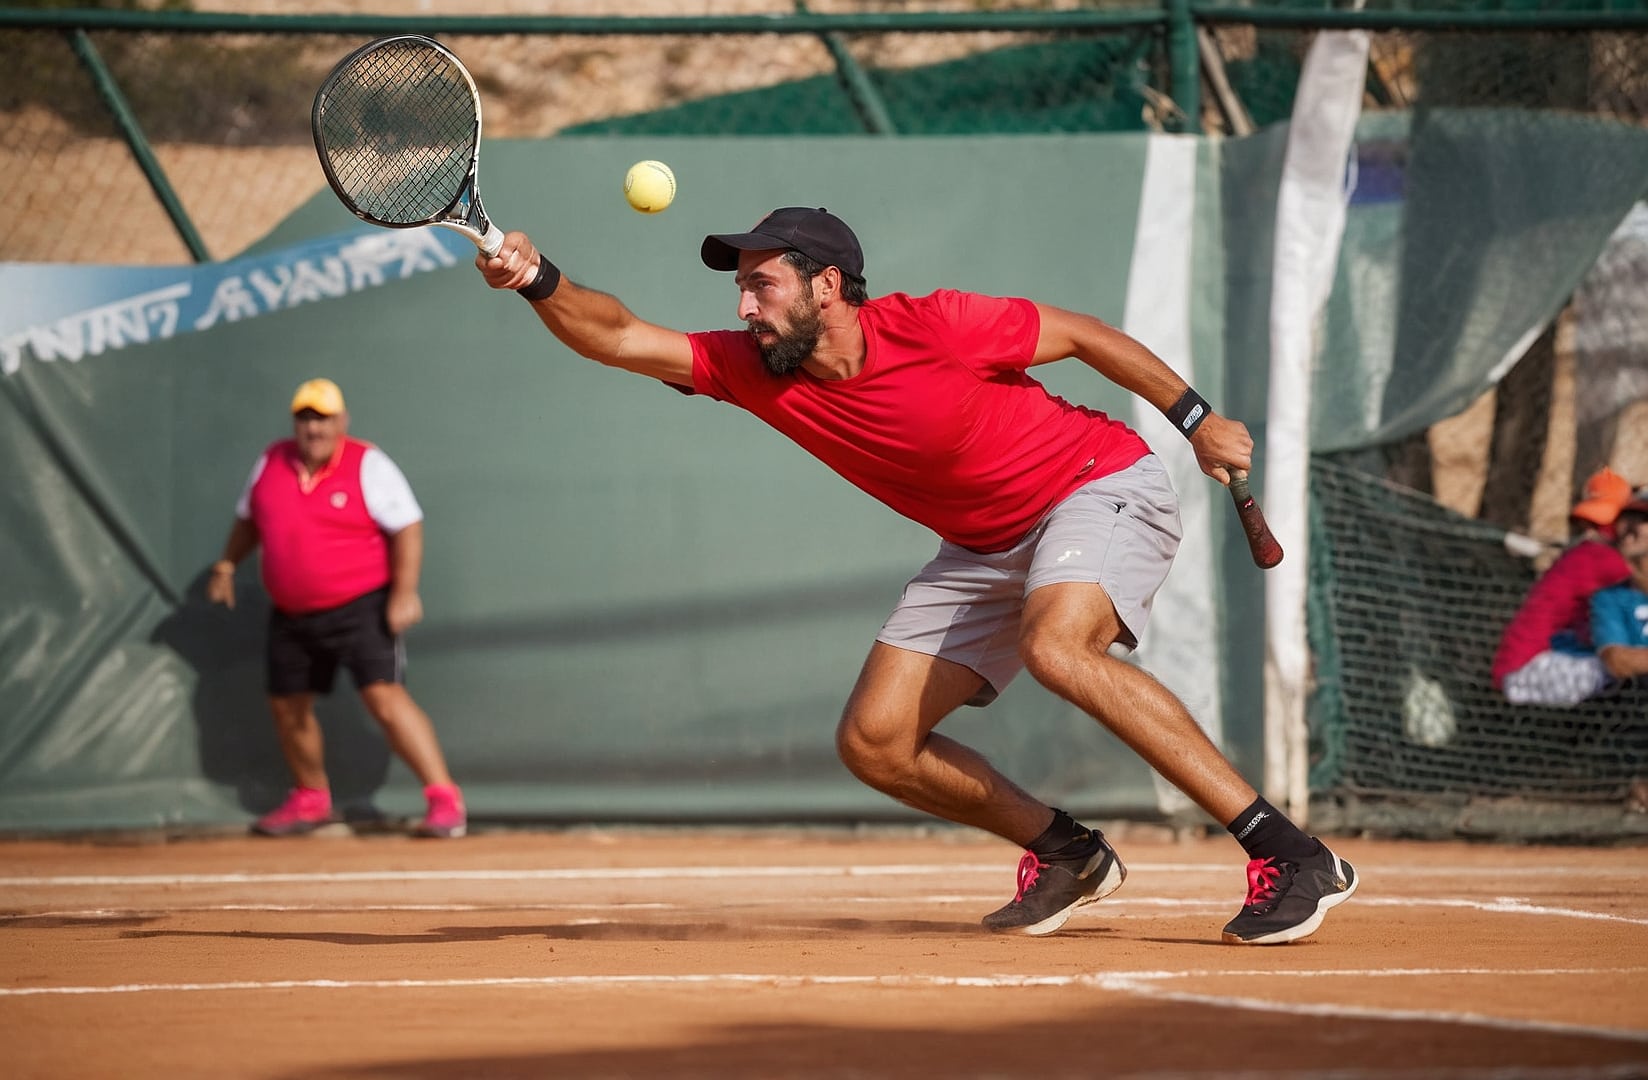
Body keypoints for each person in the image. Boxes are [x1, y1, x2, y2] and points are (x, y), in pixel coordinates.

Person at [475, 206, 1357, 944]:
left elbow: (1085, 335)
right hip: (981, 543)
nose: (744, 305)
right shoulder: (753, 370)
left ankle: (1292, 853)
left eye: (760, 283)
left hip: (1094, 483)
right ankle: (1069, 854)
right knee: (876, 742)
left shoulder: (933, 324)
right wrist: (537, 279)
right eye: (739, 287)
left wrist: (1194, 419)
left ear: (826, 285)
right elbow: (619, 335)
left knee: (1058, 647)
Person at [207, 378, 467, 839]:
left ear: (342, 421)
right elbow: (248, 520)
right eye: (306, 417)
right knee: (287, 706)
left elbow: (408, 525)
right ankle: (310, 798)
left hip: (360, 605)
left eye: (323, 417)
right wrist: (227, 564)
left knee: (385, 700)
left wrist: (404, 593)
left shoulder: (368, 464)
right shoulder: (272, 460)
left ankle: (444, 800)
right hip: (291, 612)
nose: (314, 428)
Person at [1493, 466, 1636, 706]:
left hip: (1540, 663)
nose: (1592, 532)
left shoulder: (1588, 555)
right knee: (1624, 666)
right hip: (1529, 670)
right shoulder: (1596, 558)